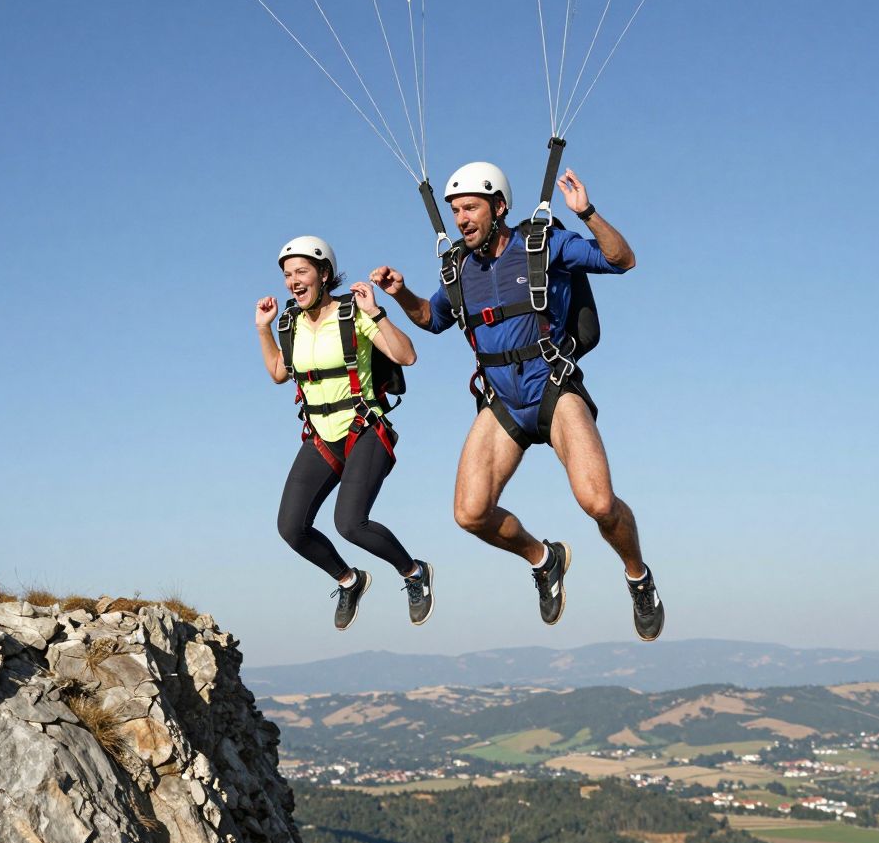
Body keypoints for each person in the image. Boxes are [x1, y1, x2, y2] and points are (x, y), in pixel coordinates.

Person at [370, 164, 664, 641]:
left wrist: (586, 212)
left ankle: (638, 576)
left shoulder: (542, 245)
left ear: (499, 208)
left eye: (470, 208)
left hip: (553, 389)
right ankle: (544, 560)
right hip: (502, 402)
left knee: (600, 503)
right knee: (469, 513)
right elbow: (431, 317)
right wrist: (400, 293)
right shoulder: (458, 270)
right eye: (455, 211)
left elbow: (621, 260)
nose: (461, 219)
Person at [256, 235, 434, 632]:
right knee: (291, 528)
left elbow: (407, 356)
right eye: (287, 275)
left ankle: (413, 573)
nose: (293, 281)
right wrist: (264, 330)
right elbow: (277, 374)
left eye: (301, 272)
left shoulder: (353, 314)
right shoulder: (290, 324)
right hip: (320, 436)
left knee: (350, 523)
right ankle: (349, 581)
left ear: (324, 274)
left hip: (364, 429)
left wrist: (377, 313)